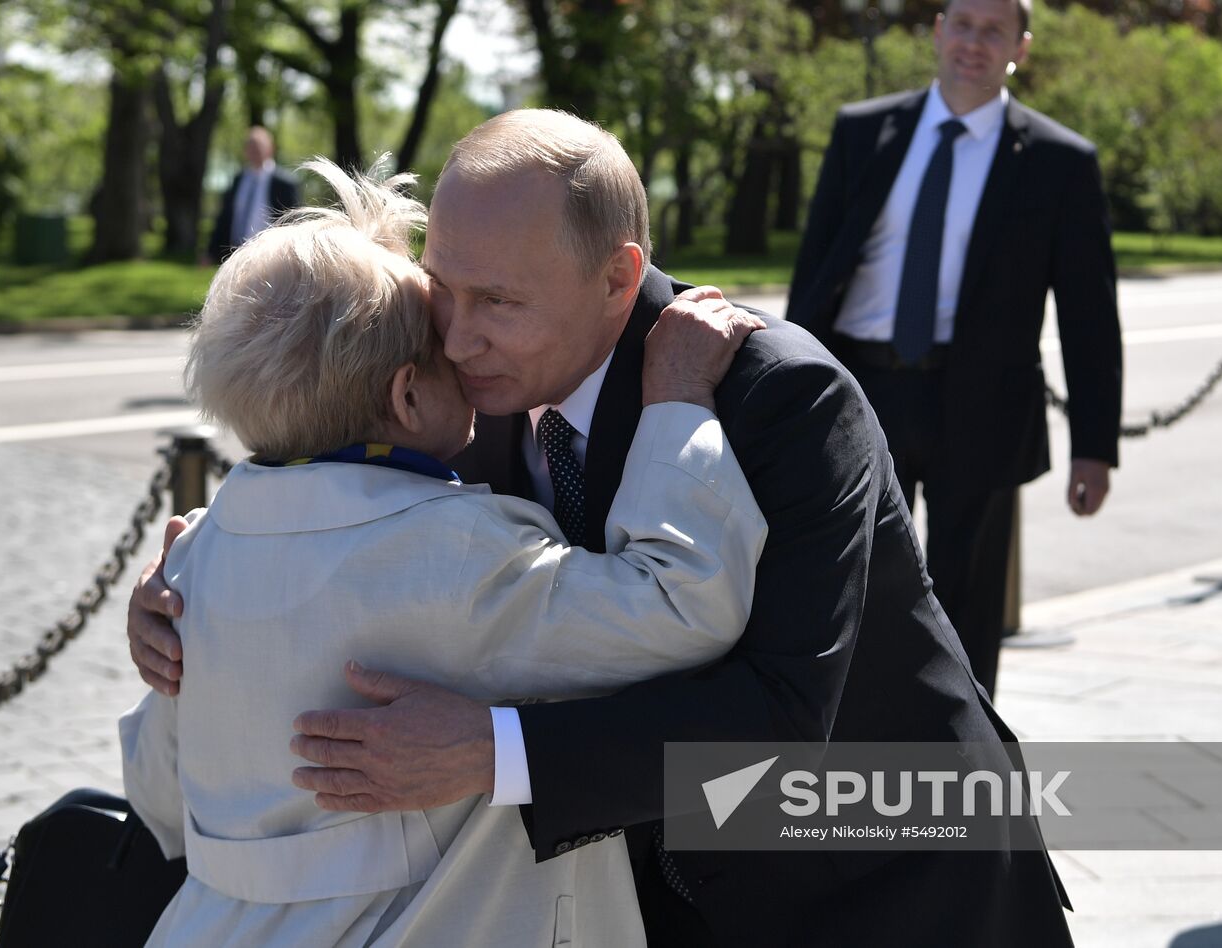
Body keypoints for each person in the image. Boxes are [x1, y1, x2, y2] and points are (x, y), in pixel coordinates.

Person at [130, 110, 1073, 946]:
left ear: (618, 277)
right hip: (666, 900)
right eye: (442, 288)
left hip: (879, 886)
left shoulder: (778, 396)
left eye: (498, 301)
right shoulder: (473, 384)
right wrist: (194, 591)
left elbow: (782, 721)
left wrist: (495, 752)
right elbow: (368, 516)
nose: (455, 337)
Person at [121, 157, 768, 946]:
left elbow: (157, 798)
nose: (465, 346)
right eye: (442, 339)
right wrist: (674, 407)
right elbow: (682, 603)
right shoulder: (452, 550)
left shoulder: (193, 559)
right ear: (407, 395)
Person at [786, 0, 1122, 697]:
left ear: (1020, 48)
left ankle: (967, 750)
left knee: (966, 594)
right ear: (938, 32)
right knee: (855, 584)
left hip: (983, 404)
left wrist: (1095, 443)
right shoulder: (862, 131)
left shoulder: (1061, 162)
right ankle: (867, 743)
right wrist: (786, 395)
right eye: (962, 24)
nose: (974, 42)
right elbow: (815, 274)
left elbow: (1089, 315)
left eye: (994, 29)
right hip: (862, 392)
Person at [202, 126, 301, 264]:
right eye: (250, 146)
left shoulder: (284, 184)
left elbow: (294, 223)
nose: (254, 151)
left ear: (270, 149)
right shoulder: (238, 180)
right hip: (235, 255)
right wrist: (211, 252)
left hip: (270, 257)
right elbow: (225, 217)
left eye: (258, 146)